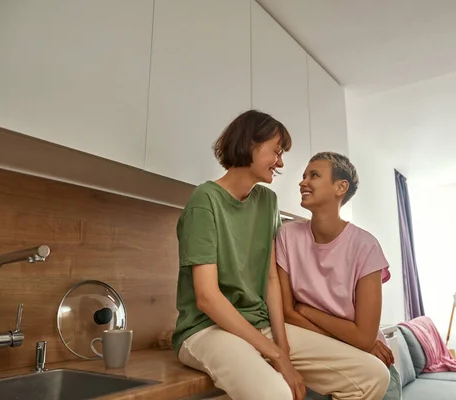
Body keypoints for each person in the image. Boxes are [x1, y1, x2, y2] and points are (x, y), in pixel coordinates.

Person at [172, 111, 390, 400]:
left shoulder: (268, 202)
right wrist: (275, 354)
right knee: (276, 394)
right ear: (251, 144)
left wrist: (283, 348)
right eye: (276, 151)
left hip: (260, 326)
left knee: (373, 376)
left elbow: (272, 280)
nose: (281, 162)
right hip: (207, 330)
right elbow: (207, 298)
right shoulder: (205, 200)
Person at [276, 151, 402, 400]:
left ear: (340, 187)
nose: (303, 182)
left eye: (314, 175)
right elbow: (286, 313)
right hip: (323, 365)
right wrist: (354, 341)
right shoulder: (287, 236)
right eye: (303, 176)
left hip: (371, 369)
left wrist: (307, 310)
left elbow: (366, 337)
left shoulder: (366, 246)